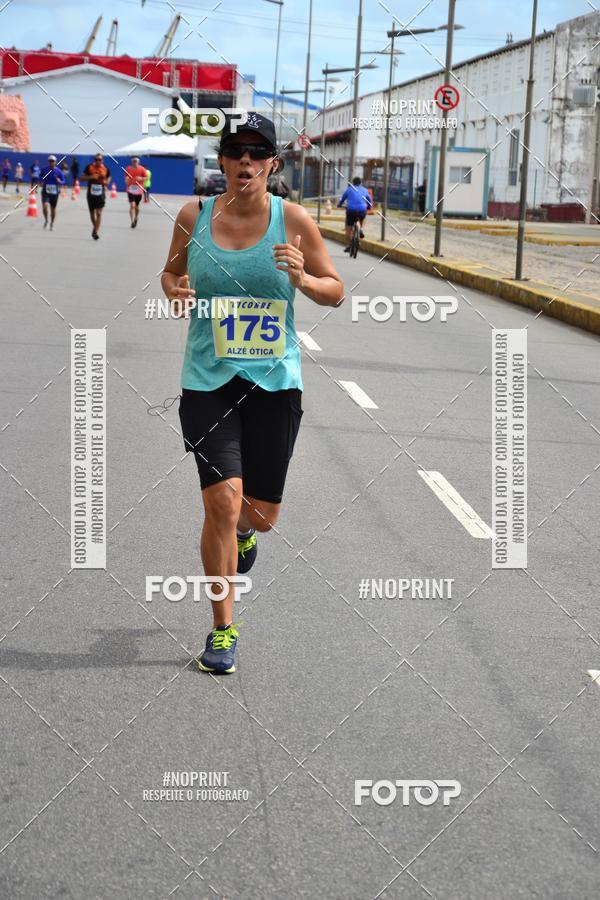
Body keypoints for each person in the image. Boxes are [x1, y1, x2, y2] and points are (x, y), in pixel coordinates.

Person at [161, 113, 344, 675]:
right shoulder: (193, 216)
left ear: (273, 164)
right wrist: (176, 289)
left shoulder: (293, 221)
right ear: (220, 161)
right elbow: (168, 274)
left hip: (273, 385)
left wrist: (304, 280)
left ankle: (245, 535)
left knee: (258, 517)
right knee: (220, 500)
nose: (245, 161)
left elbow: (334, 291)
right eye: (235, 151)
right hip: (207, 381)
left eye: (257, 153)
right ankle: (223, 629)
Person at [337, 176, 373, 252]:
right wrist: (369, 207)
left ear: (353, 183)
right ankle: (361, 229)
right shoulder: (365, 190)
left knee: (348, 229)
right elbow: (369, 201)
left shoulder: (349, 189)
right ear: (361, 183)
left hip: (351, 210)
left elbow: (342, 199)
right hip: (362, 210)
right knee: (364, 217)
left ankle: (349, 245)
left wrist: (339, 205)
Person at [80, 152, 110, 240]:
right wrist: (91, 177)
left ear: (102, 160)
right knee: (92, 213)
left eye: (99, 160)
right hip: (91, 193)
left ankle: (95, 231)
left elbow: (108, 177)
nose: (98, 161)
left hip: (100, 194)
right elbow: (81, 178)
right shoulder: (89, 167)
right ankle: (95, 227)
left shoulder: (106, 169)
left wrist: (106, 182)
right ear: (94, 160)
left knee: (99, 213)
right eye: (96, 159)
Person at [39, 155, 65, 230]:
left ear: (55, 162)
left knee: (53, 209)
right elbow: (40, 177)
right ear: (48, 162)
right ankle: (46, 220)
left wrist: (60, 181)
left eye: (53, 161)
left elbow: (63, 181)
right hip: (45, 191)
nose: (51, 162)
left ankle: (52, 223)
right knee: (45, 206)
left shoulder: (58, 171)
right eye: (50, 161)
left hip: (54, 192)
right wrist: (41, 182)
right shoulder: (44, 170)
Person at [124, 155, 147, 228]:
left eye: (136, 161)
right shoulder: (128, 169)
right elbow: (126, 177)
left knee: (136, 206)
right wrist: (127, 179)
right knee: (132, 205)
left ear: (138, 162)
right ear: (131, 162)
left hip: (139, 190)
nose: (134, 162)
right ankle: (132, 221)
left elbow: (146, 177)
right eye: (133, 161)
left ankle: (136, 217)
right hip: (130, 190)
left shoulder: (142, 169)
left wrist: (141, 178)